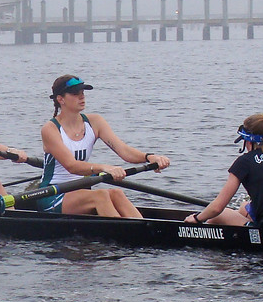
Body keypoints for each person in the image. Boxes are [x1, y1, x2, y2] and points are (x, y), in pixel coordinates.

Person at [36, 74, 170, 217]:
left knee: (117, 193)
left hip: (80, 190)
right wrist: (104, 168)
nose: (82, 97)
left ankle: (142, 228)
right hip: (53, 194)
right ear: (60, 99)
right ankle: (125, 230)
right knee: (100, 196)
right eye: (75, 93)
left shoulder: (95, 122)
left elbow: (124, 151)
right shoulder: (50, 129)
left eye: (82, 92)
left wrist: (149, 157)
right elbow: (71, 166)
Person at [186, 113, 263, 226]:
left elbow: (217, 208)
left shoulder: (245, 162)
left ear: (249, 141)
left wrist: (197, 218)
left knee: (219, 215)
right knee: (244, 207)